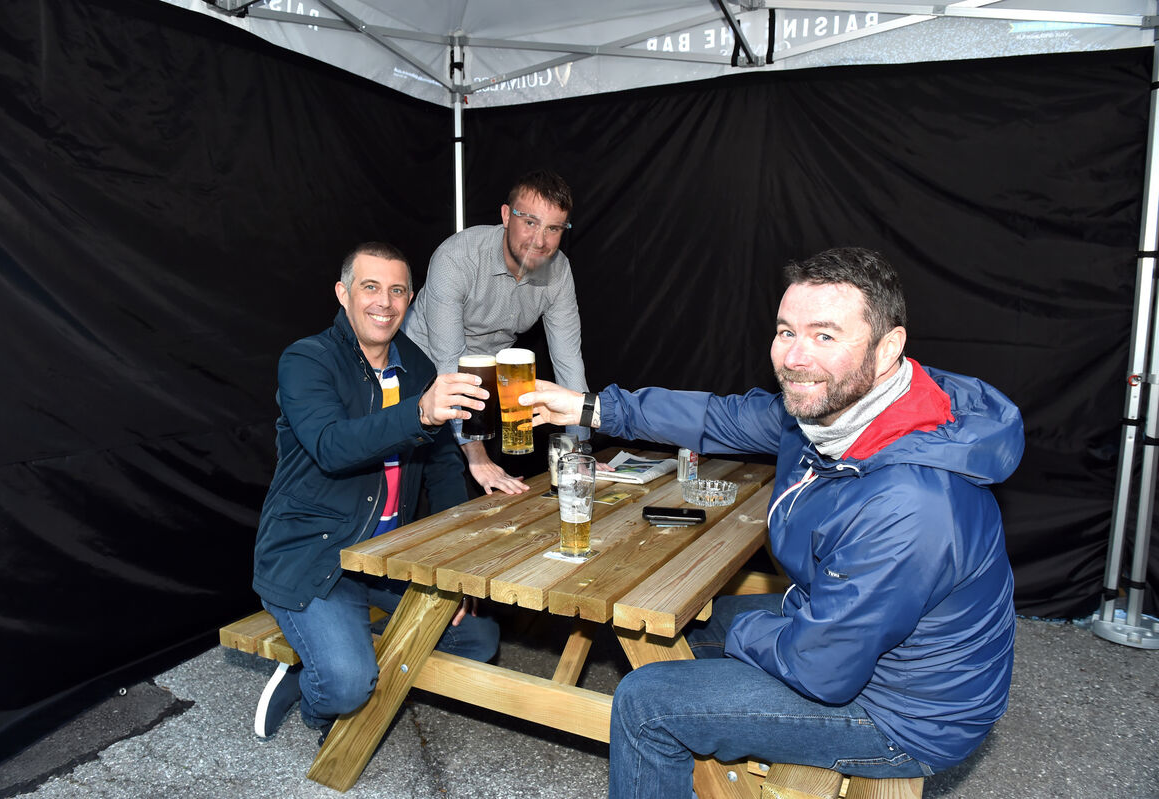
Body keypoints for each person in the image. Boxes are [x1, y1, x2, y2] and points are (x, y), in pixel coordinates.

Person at [521, 247, 1023, 796]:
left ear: (888, 348)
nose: (796, 357)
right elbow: (722, 416)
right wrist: (594, 409)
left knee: (646, 702)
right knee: (690, 620)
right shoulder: (844, 407)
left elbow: (822, 671)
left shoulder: (912, 501)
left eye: (825, 335)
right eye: (787, 331)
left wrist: (754, 630)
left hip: (907, 712)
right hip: (846, 631)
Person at [251, 242, 499, 743]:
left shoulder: (418, 366)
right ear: (343, 294)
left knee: (478, 638)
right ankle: (317, 679)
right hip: (314, 554)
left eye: (397, 290)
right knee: (345, 686)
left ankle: (331, 652)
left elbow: (444, 467)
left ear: (409, 300)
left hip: (386, 558)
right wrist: (420, 414)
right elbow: (331, 446)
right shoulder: (306, 359)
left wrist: (450, 565)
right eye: (370, 287)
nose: (383, 302)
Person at [403, 169, 589, 496]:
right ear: (506, 215)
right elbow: (448, 363)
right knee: (442, 484)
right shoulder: (457, 257)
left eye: (553, 228)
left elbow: (569, 363)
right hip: (420, 370)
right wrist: (476, 457)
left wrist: (581, 454)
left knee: (488, 501)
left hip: (484, 382)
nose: (540, 240)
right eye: (530, 222)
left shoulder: (558, 272)